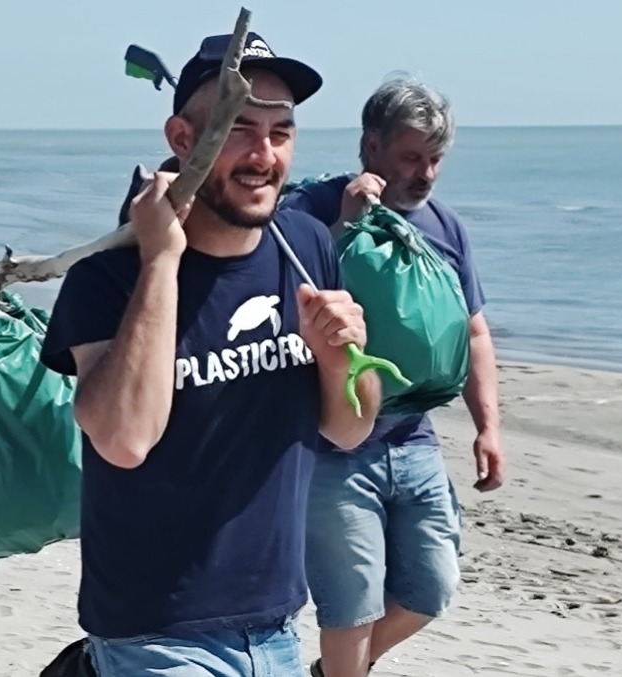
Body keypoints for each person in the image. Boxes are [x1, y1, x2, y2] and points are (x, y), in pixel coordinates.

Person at [39, 31, 383, 676]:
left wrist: (340, 358)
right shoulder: (107, 280)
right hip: (154, 633)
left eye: (281, 132)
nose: (263, 155)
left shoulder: (306, 246)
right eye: (239, 128)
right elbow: (123, 439)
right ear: (181, 139)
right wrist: (161, 260)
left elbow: (349, 428)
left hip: (277, 626)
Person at [277, 74, 506, 677]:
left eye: (435, 159)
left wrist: (489, 428)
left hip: (415, 441)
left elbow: (474, 331)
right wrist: (346, 227)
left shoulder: (445, 228)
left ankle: (329, 673)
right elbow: (275, 300)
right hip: (333, 448)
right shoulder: (308, 210)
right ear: (371, 145)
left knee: (433, 584)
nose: (426, 173)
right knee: (350, 605)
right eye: (411, 156)